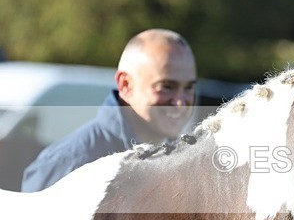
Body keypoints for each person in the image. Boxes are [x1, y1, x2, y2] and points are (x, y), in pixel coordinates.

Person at [21, 29, 197, 192]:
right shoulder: (70, 163)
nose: (180, 102)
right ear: (125, 84)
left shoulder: (186, 165)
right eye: (166, 86)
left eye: (188, 87)